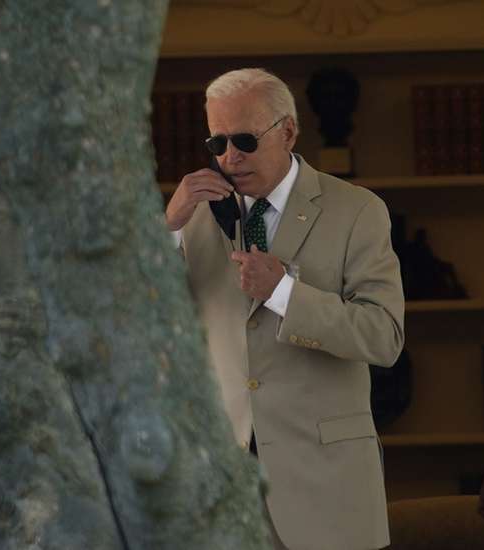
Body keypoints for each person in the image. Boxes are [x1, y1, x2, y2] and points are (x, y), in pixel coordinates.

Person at [165, 68, 405, 550]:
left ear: (288, 131)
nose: (230, 157)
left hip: (327, 492)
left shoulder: (358, 211)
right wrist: (167, 226)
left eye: (245, 140)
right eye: (217, 144)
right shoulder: (191, 216)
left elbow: (383, 336)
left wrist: (284, 294)